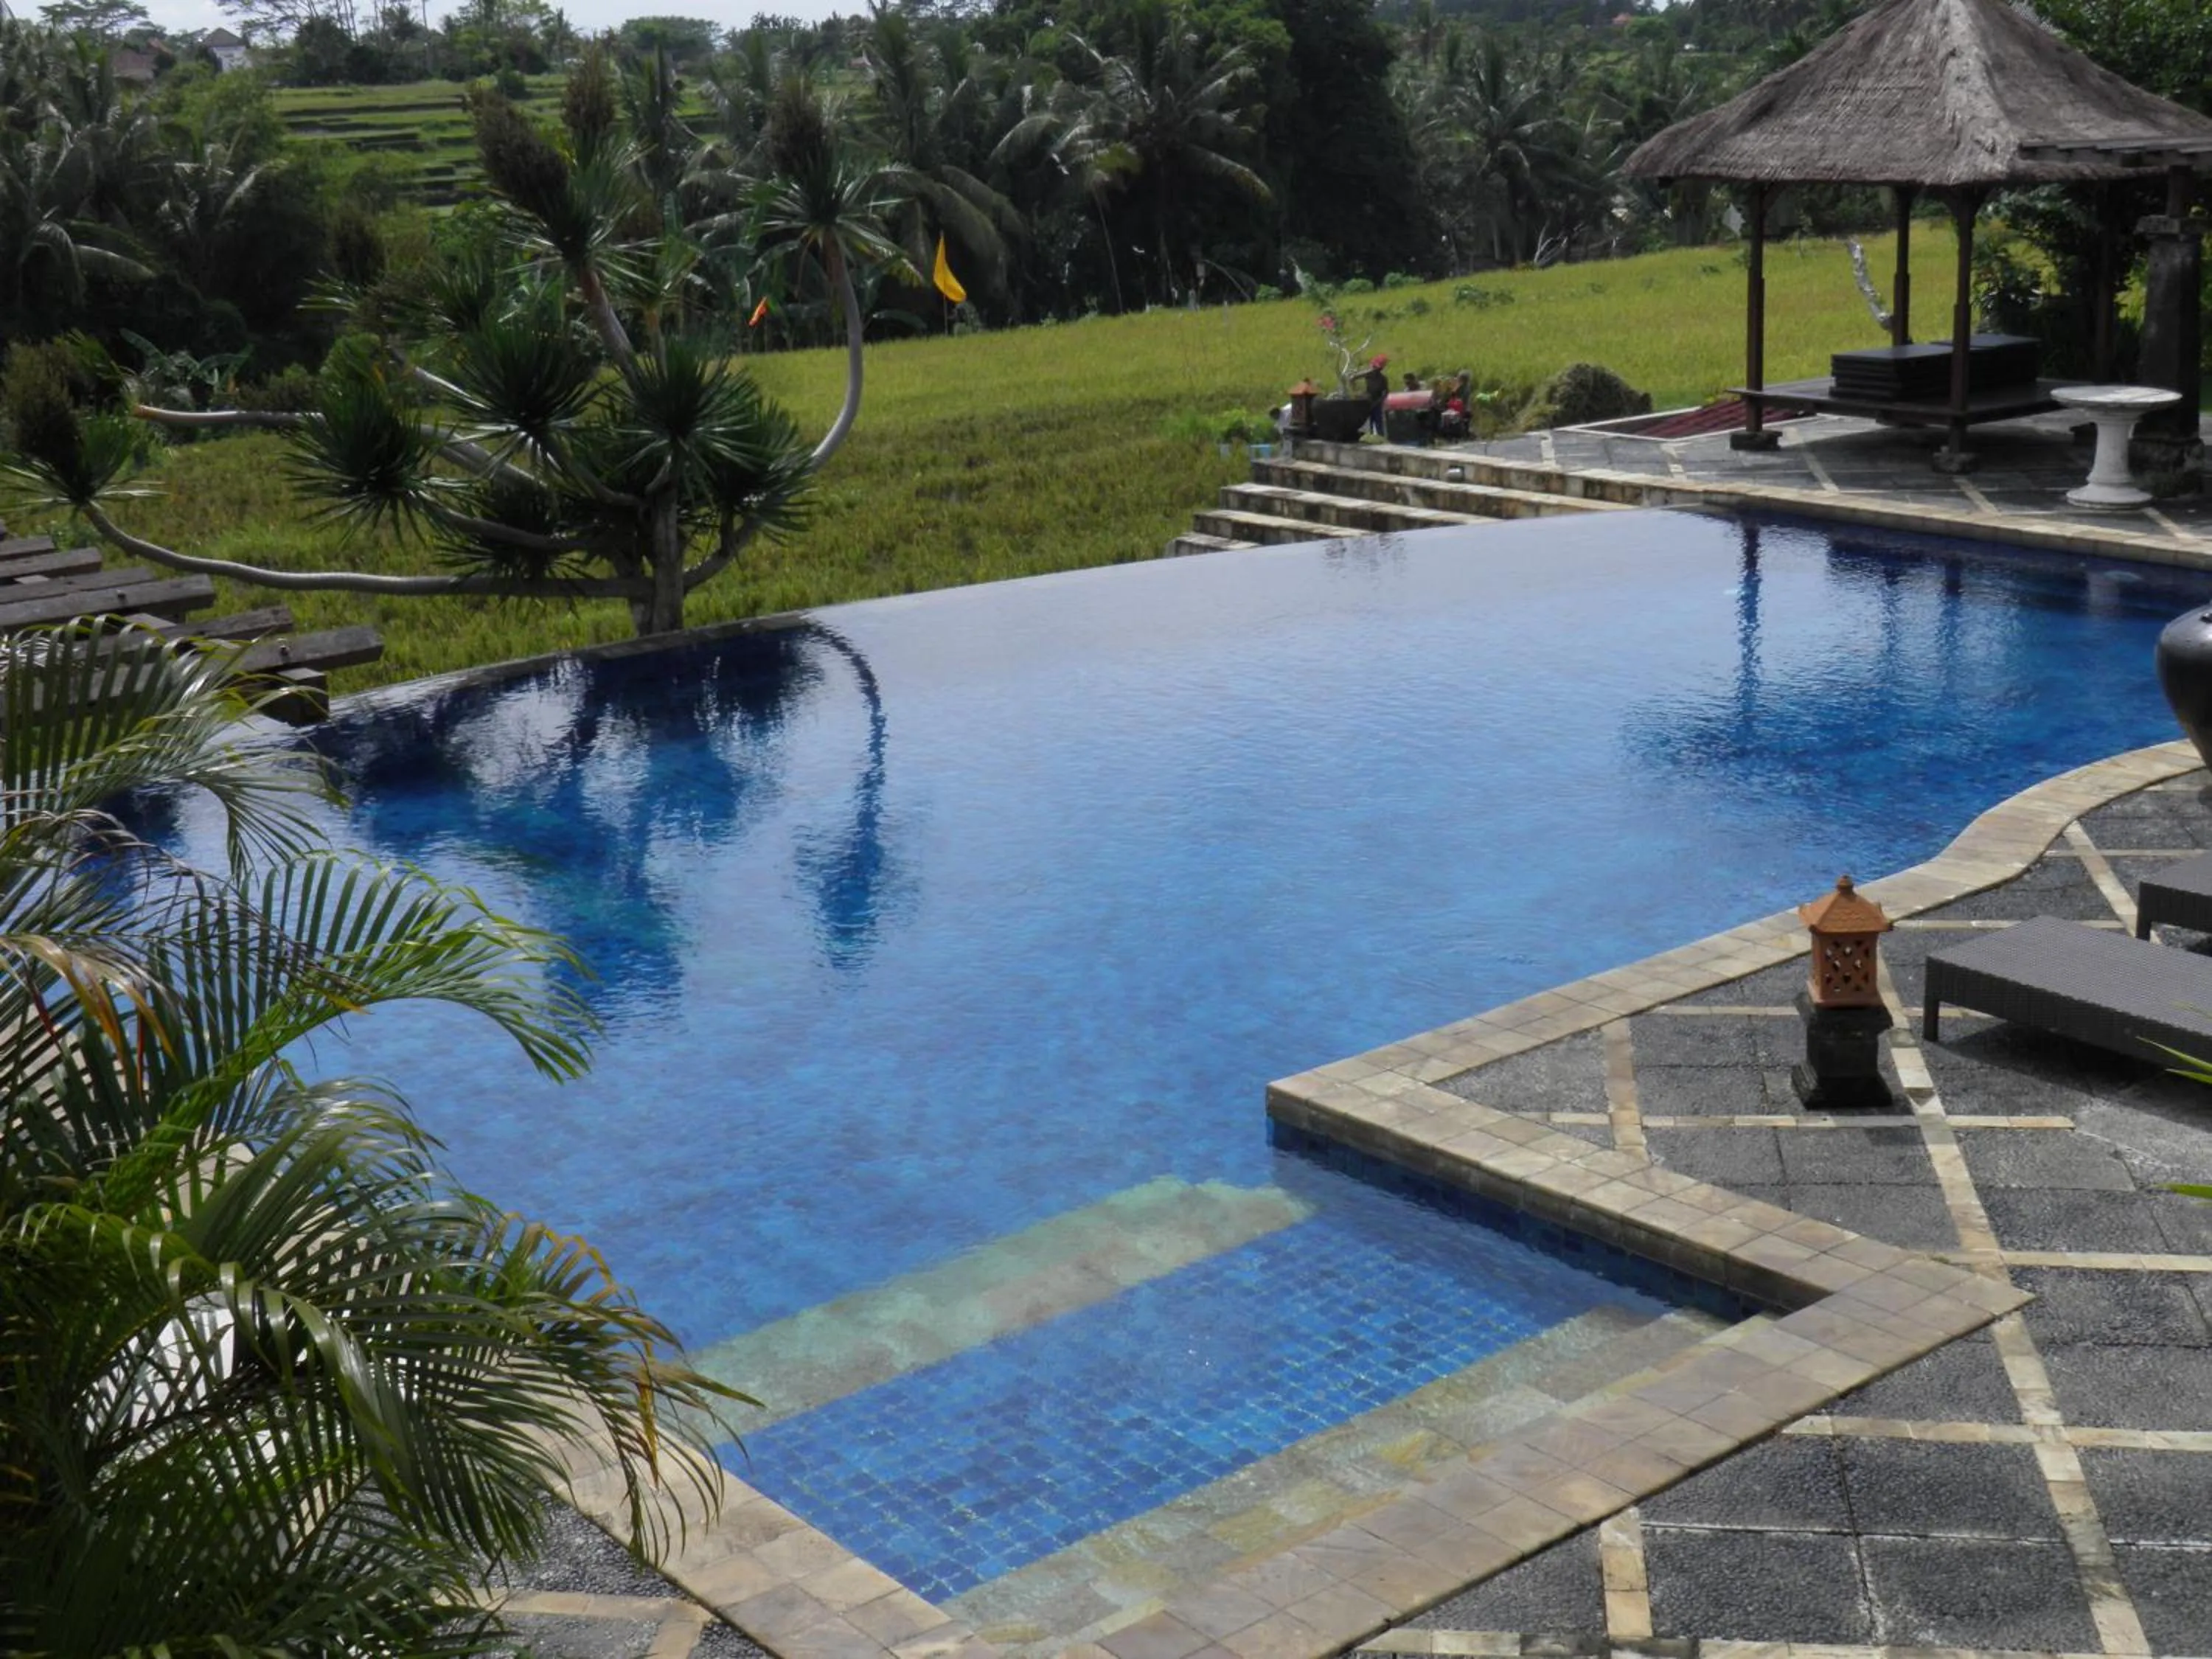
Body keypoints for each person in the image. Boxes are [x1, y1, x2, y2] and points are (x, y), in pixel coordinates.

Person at [1361, 354, 1389, 437]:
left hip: (1377, 402)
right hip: (1367, 402)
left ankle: (1380, 438)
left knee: (1378, 423)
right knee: (1368, 424)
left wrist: (1379, 401)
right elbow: (1353, 379)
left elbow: (1386, 392)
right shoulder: (1368, 376)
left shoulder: (1383, 379)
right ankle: (1369, 437)